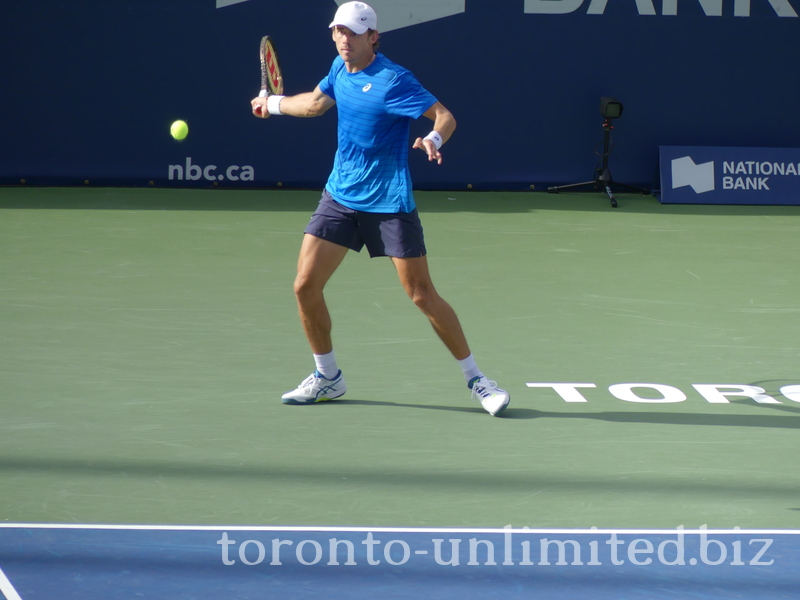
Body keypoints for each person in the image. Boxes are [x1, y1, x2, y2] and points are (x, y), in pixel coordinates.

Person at [251, 1, 510, 416]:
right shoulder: (339, 69)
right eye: (338, 31)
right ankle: (327, 377)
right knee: (304, 285)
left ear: (373, 37)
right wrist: (276, 104)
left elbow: (444, 116)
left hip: (388, 203)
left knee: (422, 295)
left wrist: (432, 140)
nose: (343, 39)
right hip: (340, 196)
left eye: (352, 33)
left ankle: (478, 380)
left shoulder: (393, 80)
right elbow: (315, 105)